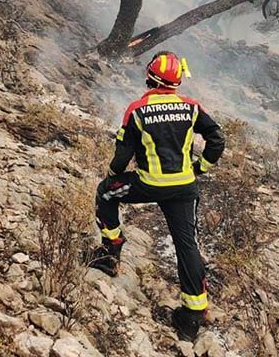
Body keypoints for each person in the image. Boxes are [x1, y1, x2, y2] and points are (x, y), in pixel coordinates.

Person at [90, 51, 225, 341]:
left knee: (105, 194)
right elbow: (217, 139)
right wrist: (200, 167)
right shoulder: (192, 107)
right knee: (186, 244)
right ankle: (192, 315)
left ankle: (110, 253)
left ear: (151, 77)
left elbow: (122, 154)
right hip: (184, 187)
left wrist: (113, 175)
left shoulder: (137, 109)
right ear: (177, 82)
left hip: (148, 184)